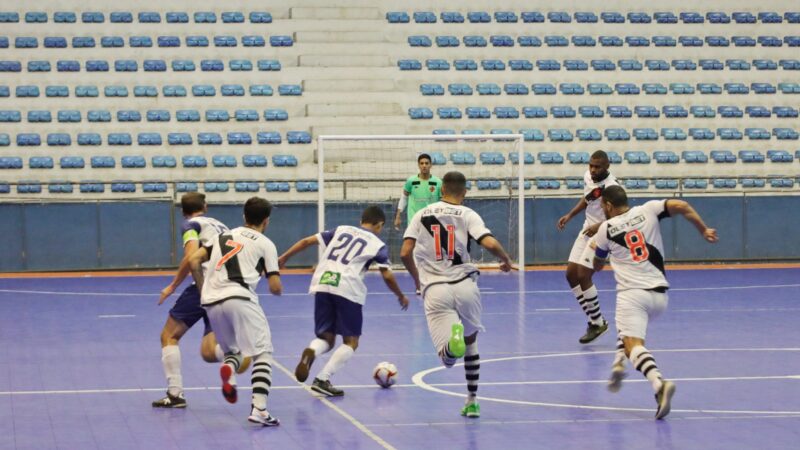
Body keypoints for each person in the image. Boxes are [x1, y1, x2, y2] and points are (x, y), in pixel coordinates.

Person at [592, 186, 718, 419]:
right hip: (660, 295)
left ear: (608, 205)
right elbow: (681, 205)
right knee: (627, 330)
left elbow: (597, 264)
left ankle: (659, 384)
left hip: (632, 294)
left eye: (602, 206)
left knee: (633, 344)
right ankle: (619, 361)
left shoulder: (605, 229)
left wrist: (600, 252)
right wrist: (703, 229)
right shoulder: (648, 210)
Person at [400, 171, 513, 418]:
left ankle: (453, 345)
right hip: (466, 286)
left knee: (448, 358)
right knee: (472, 343)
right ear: (465, 192)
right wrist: (505, 259)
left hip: (436, 288)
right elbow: (488, 242)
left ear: (441, 190)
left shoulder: (421, 214)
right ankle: (472, 401)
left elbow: (405, 252)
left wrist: (417, 279)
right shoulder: (468, 214)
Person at [278, 206, 409, 397]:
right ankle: (322, 379)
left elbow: (307, 241)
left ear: (361, 221)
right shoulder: (377, 244)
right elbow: (387, 274)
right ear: (380, 225)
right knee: (351, 341)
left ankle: (311, 352)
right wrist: (400, 295)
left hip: (323, 282)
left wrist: (284, 257)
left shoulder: (341, 230)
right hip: (348, 287)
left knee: (326, 338)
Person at [188, 197, 283, 426]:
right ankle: (259, 409)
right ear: (266, 221)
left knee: (232, 350)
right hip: (240, 297)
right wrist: (274, 275)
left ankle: (228, 368)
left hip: (211, 300)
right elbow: (275, 287)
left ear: (244, 216)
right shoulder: (266, 244)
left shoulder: (222, 236)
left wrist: (202, 289)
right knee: (263, 352)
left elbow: (194, 260)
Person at [153, 193, 249, 408]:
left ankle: (175, 394)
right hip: (229, 286)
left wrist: (172, 286)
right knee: (208, 351)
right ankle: (234, 358)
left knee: (168, 336)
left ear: (183, 211)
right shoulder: (220, 226)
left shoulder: (191, 225)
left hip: (204, 285)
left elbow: (191, 256)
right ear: (204, 207)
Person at [556, 150, 619, 344]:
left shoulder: (613, 188)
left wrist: (598, 227)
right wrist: (570, 215)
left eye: (597, 167)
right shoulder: (588, 177)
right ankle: (595, 320)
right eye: (591, 165)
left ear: (607, 166)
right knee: (571, 274)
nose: (592, 169)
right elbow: (587, 199)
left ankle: (597, 323)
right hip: (587, 229)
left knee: (583, 274)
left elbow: (619, 218)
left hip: (602, 233)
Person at [395, 153, 443, 294]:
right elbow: (404, 197)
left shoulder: (438, 182)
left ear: (431, 165)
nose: (424, 166)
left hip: (433, 222)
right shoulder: (411, 181)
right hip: (414, 223)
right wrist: (398, 215)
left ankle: (434, 280)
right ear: (418, 165)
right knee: (415, 253)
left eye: (426, 163)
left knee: (432, 252)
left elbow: (442, 202)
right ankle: (419, 283)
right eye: (421, 163)